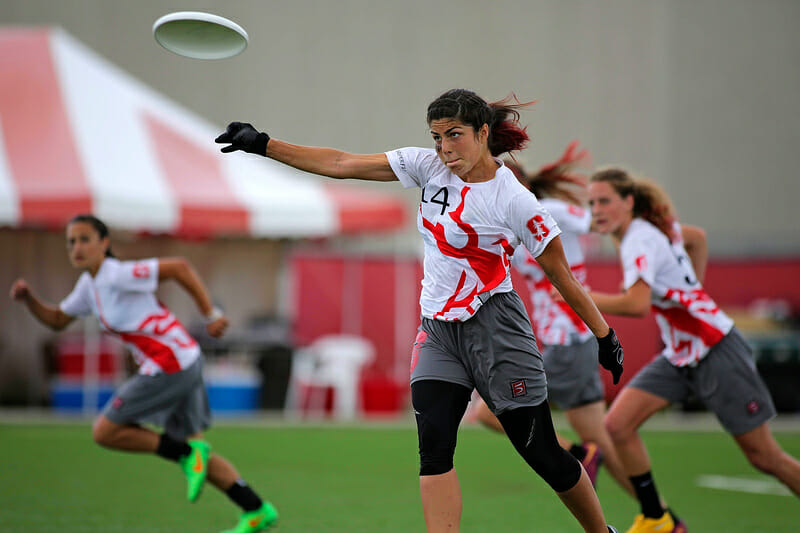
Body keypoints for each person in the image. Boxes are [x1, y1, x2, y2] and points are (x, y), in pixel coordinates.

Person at [215, 88, 624, 533]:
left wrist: (605, 336)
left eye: (455, 135)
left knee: (542, 451)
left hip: (497, 328)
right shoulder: (426, 166)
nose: (445, 149)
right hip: (438, 331)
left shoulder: (516, 201)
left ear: (483, 132)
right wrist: (264, 145)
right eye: (436, 137)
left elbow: (563, 276)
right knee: (433, 447)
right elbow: (340, 164)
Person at [9, 214, 278, 533]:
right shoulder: (88, 286)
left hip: (171, 362)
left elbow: (179, 266)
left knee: (106, 431)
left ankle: (187, 453)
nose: (76, 247)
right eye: (71, 241)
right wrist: (28, 300)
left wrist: (211, 314)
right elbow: (57, 320)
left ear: (104, 243)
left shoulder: (118, 274)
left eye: (84, 239)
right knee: (195, 451)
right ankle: (256, 509)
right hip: (182, 359)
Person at [586, 168, 800, 533]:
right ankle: (658, 519)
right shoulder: (649, 233)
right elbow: (697, 239)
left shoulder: (639, 238)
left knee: (765, 457)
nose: (597, 210)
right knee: (617, 426)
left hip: (716, 349)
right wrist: (693, 291)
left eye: (604, 201)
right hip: (681, 353)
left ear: (629, 202)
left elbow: (637, 305)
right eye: (591, 203)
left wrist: (582, 296)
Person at [471, 142, 629, 490]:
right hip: (566, 344)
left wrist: (640, 258)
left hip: (570, 340)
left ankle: (576, 454)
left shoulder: (550, 211)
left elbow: (603, 224)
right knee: (601, 444)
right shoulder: (506, 229)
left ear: (518, 184)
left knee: (488, 411)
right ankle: (658, 514)